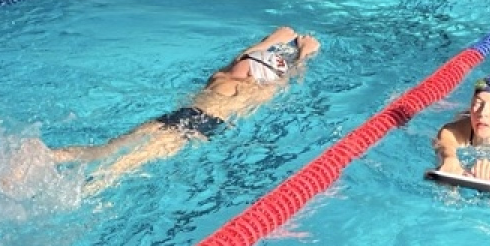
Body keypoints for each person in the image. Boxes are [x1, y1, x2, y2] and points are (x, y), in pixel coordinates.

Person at [47, 28, 320, 190]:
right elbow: (273, 68)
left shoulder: (234, 84)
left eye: (248, 61)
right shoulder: (240, 84)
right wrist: (291, 46)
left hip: (183, 124)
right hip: (184, 125)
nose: (242, 60)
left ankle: (61, 176)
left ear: (252, 70)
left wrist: (286, 45)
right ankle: (63, 175)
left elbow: (261, 64)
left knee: (110, 160)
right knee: (112, 160)